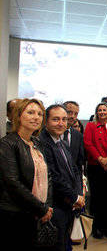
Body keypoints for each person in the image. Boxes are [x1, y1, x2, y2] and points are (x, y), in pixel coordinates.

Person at [0, 98, 53, 249]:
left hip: (37, 212)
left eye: (40, 114)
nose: (36, 117)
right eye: (30, 113)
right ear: (18, 116)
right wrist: (41, 208)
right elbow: (12, 182)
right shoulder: (8, 143)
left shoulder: (36, 143)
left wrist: (47, 206)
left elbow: (47, 176)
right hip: (15, 213)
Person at [41, 104, 84, 251]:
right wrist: (74, 197)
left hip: (69, 203)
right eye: (56, 119)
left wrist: (79, 194)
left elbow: (74, 170)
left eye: (64, 119)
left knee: (66, 240)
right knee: (57, 243)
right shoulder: (42, 143)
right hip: (55, 204)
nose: (61, 123)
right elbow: (53, 176)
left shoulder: (63, 142)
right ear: (46, 121)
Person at [83, 102, 107, 238]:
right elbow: (88, 144)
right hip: (96, 167)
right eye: (100, 110)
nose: (102, 112)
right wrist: (101, 160)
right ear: (96, 112)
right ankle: (97, 228)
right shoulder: (91, 126)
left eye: (105, 110)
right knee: (97, 199)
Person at [63, 101, 86, 180]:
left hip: (73, 181)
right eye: (69, 112)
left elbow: (79, 163)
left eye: (76, 114)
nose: (73, 116)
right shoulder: (51, 133)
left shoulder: (78, 135)